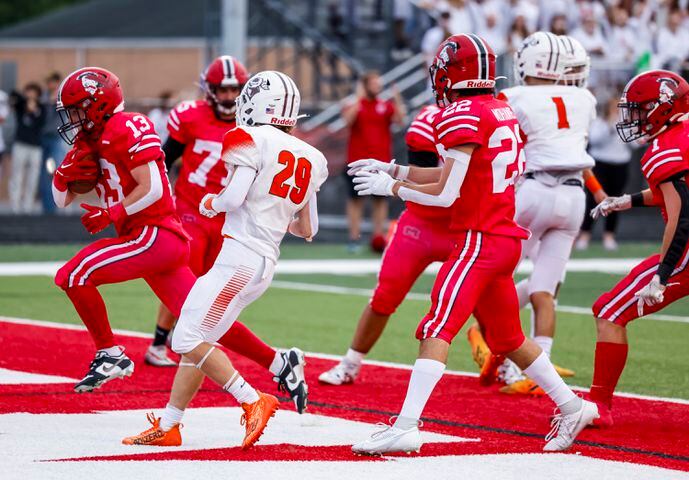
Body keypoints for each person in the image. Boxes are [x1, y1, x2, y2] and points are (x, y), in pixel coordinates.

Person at [349, 34, 598, 455]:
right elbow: (458, 173)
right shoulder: (501, 108)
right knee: (508, 339)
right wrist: (395, 168)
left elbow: (447, 194)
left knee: (436, 327)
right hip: (503, 238)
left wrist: (392, 187)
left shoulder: (461, 113)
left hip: (478, 240)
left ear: (452, 73)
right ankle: (573, 406)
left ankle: (407, 425)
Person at [52, 68, 308, 409]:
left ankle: (109, 352)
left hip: (155, 234)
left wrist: (112, 213)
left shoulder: (127, 125)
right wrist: (61, 175)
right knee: (205, 323)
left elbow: (155, 187)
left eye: (78, 109)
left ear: (98, 105)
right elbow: (61, 199)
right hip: (151, 240)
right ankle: (279, 363)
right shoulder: (89, 140)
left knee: (73, 275)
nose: (73, 119)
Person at [123, 70, 328, 449]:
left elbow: (231, 199)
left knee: (185, 337)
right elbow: (307, 229)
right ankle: (170, 424)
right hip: (264, 264)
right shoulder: (312, 156)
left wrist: (210, 202)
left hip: (239, 256)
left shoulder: (246, 137)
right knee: (202, 340)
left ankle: (253, 399)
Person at [149, 56, 307, 392]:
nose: (229, 95)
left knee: (206, 294)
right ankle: (165, 343)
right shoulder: (192, 117)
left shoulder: (254, 131)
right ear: (209, 90)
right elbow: (164, 159)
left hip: (231, 220)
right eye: (223, 89)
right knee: (188, 285)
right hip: (193, 208)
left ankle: (188, 349)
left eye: (235, 88)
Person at [471, 33, 606, 393]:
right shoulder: (585, 98)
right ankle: (536, 372)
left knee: (494, 281)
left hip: (530, 191)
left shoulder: (513, 97)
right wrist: (599, 192)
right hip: (574, 196)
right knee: (544, 291)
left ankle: (505, 358)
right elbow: (569, 150)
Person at [318, 104, 456, 385]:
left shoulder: (482, 118)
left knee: (486, 303)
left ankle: (506, 363)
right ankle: (351, 362)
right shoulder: (431, 118)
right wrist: (394, 173)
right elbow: (430, 174)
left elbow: (454, 186)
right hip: (419, 224)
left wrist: (393, 183)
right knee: (384, 297)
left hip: (461, 225)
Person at [587, 70, 689, 428]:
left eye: (641, 110)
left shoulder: (666, 148)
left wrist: (662, 274)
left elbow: (681, 218)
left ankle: (599, 405)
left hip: (686, 251)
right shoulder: (682, 133)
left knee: (609, 311)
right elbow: (674, 192)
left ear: (662, 108)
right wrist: (625, 201)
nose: (634, 119)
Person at [342, 71, 405, 252]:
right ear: (365, 85)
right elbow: (347, 121)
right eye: (373, 83)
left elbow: (400, 121)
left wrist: (397, 99)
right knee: (355, 201)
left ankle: (378, 237)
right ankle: (354, 238)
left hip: (380, 162)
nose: (377, 87)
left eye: (378, 83)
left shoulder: (385, 105)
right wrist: (358, 98)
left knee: (380, 200)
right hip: (357, 161)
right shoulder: (354, 104)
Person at [577, 96, 633, 251]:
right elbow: (594, 141)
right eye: (614, 107)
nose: (617, 110)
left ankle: (609, 235)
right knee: (594, 199)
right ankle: (585, 235)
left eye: (619, 107)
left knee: (616, 200)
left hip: (620, 164)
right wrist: (610, 125)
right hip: (600, 163)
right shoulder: (599, 122)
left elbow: (633, 143)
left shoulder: (626, 123)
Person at [10, 83, 46, 213]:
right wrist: (26, 100)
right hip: (20, 145)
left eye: (33, 92)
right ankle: (15, 205)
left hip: (35, 147)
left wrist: (34, 110)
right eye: (29, 91)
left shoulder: (41, 108)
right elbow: (13, 93)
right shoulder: (20, 105)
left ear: (38, 94)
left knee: (33, 177)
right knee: (17, 175)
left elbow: (42, 123)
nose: (31, 94)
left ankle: (28, 205)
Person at [40, 72, 68, 215]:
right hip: (42, 138)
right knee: (44, 173)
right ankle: (47, 207)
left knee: (57, 172)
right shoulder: (43, 96)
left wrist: (55, 99)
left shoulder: (62, 96)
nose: (51, 85)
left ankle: (59, 205)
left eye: (53, 82)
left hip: (56, 139)